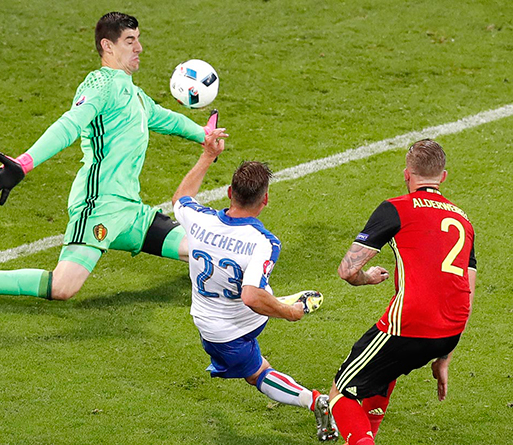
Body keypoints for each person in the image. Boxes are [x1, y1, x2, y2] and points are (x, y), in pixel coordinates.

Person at [0, 12, 218, 303]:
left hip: (131, 212)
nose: (139, 48)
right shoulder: (101, 84)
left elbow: (163, 117)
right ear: (108, 46)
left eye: (138, 39)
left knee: (203, 251)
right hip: (99, 207)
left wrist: (202, 135)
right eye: (130, 41)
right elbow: (69, 125)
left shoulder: (133, 93)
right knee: (62, 287)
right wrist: (24, 164)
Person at [172, 129, 338, 442]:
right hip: (247, 318)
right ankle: (282, 302)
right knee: (257, 288)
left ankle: (314, 400)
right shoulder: (264, 242)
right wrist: (287, 312)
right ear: (265, 201)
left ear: (229, 193)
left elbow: (181, 198)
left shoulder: (199, 219)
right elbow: (250, 294)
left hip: (221, 331)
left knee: (258, 373)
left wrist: (208, 155)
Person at [328, 139, 477, 445]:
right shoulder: (464, 221)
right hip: (450, 330)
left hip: (410, 323)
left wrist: (367, 279)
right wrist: (443, 358)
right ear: (443, 177)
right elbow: (467, 293)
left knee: (340, 394)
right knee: (383, 370)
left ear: (407, 174)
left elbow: (347, 270)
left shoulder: (396, 208)